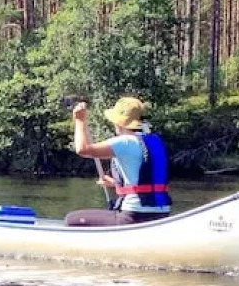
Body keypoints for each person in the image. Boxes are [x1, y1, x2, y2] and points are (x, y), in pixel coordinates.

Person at [65, 97, 171, 227]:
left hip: (133, 216)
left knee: (71, 219)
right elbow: (146, 178)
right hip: (162, 214)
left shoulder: (125, 142)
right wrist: (115, 183)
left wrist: (79, 120)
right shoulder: (155, 141)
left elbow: (83, 149)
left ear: (119, 123)